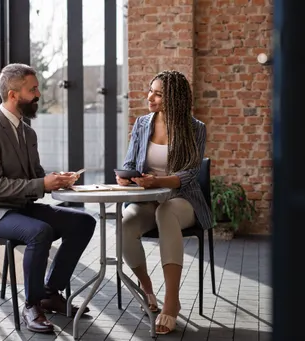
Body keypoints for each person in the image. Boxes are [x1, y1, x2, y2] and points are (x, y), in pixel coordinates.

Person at [0, 63, 96, 333]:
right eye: (33, 89)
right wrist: (41, 183)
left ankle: (49, 292)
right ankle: (32, 304)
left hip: (20, 207)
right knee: (40, 232)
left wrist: (57, 179)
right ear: (14, 95)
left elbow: (35, 176)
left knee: (83, 223)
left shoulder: (27, 132)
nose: (38, 95)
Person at [116, 70, 212, 335]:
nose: (150, 97)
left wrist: (159, 182)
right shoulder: (142, 123)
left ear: (175, 98)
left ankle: (172, 302)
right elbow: (129, 163)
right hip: (146, 198)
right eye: (151, 91)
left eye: (158, 94)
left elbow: (191, 172)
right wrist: (127, 177)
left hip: (182, 199)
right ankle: (147, 290)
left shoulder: (195, 128)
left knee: (166, 213)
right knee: (124, 225)